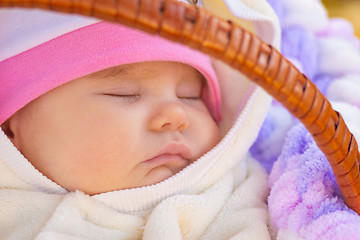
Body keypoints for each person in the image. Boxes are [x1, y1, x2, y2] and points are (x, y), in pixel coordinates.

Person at [0, 1, 280, 239]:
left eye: (191, 96)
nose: (176, 115)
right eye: (124, 94)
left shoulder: (230, 195)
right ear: (12, 127)